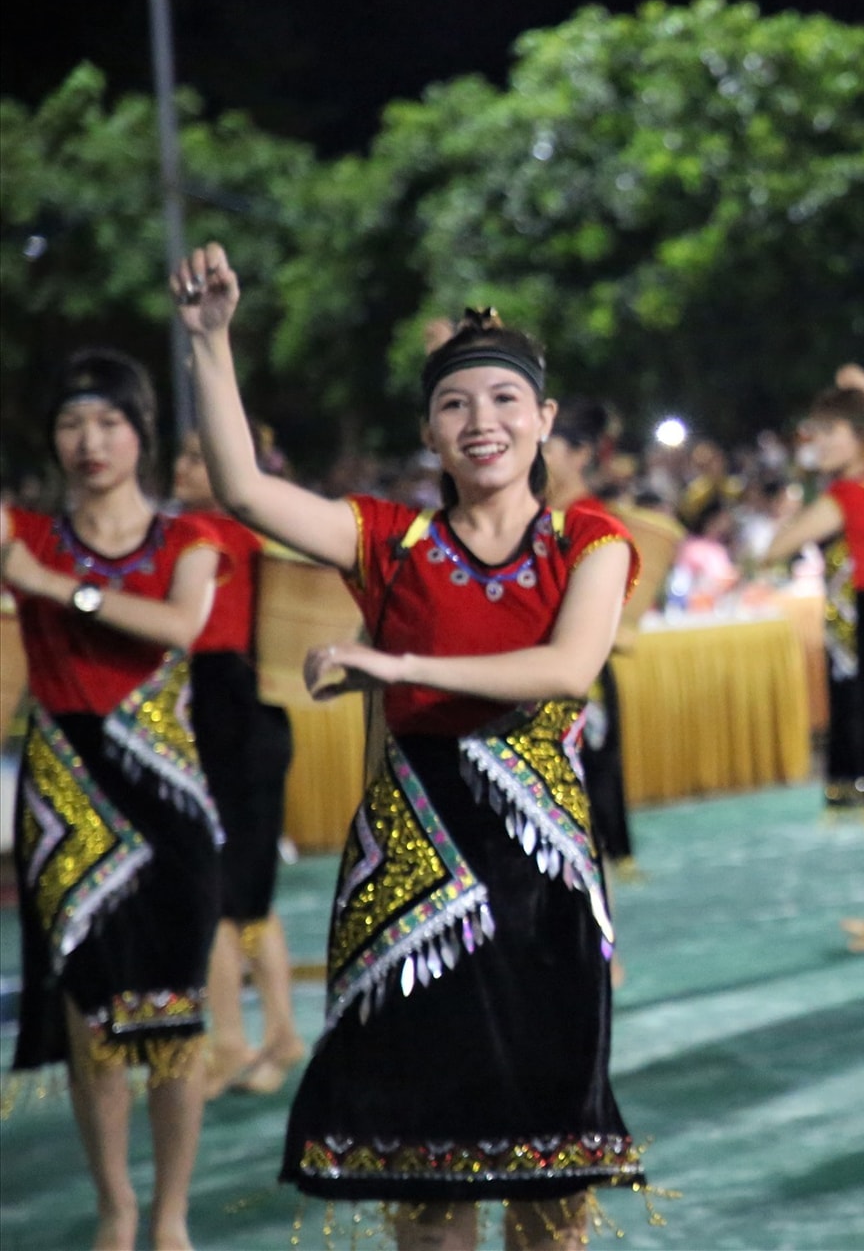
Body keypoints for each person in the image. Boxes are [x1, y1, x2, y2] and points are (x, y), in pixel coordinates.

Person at [174, 243, 648, 1250]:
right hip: (409, 885)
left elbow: (567, 669)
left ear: (545, 420)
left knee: (549, 1182)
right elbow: (248, 492)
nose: (483, 423)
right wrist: (211, 342)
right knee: (426, 1186)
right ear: (429, 429)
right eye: (456, 405)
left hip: (543, 891)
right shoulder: (388, 537)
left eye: (506, 399)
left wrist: (401, 668)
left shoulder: (588, 538)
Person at [2, 348, 223, 1251]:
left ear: (142, 433)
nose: (88, 442)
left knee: (173, 1019)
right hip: (63, 795)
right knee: (90, 1018)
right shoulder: (23, 528)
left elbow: (178, 626)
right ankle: (115, 1209)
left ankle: (169, 1216)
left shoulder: (188, 542)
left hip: (168, 801)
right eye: (69, 423)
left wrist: (59, 589)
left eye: (108, 422)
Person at [764, 377, 864, 954]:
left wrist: (798, 498)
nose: (816, 440)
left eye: (828, 431)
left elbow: (775, 548)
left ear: (859, 437)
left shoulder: (846, 496)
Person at [170, 431, 303, 1097]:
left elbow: (187, 629)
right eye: (184, 455)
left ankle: (250, 1039)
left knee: (229, 900)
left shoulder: (211, 534)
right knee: (235, 898)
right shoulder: (243, 531)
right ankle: (255, 1035)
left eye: (199, 456)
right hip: (235, 719)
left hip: (231, 719)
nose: (183, 466)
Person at [542, 402, 636, 873]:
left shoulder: (591, 523)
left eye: (548, 447)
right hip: (536, 679)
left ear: (580, 455)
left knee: (585, 801)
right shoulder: (528, 517)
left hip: (581, 678)